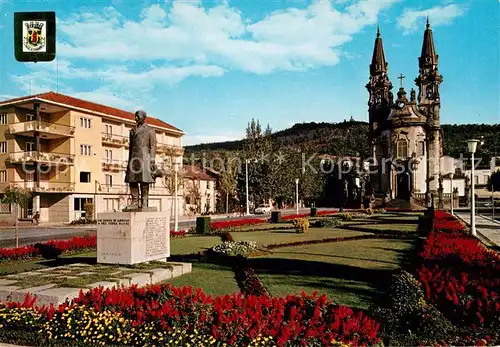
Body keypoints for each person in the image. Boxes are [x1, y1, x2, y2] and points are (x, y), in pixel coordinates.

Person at [124, 110, 157, 210]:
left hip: (144, 157)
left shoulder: (150, 130)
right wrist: (129, 161)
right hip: (133, 158)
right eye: (135, 116)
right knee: (132, 180)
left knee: (144, 181)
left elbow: (153, 146)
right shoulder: (132, 131)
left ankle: (144, 202)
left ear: (143, 117)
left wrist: (152, 160)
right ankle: (134, 202)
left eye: (138, 116)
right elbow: (130, 147)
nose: (136, 118)